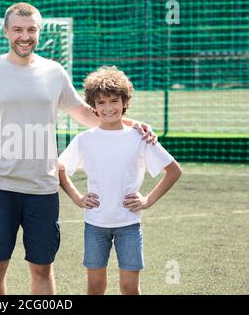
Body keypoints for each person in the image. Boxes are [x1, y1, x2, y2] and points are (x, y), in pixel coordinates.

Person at [0, 3, 156, 295]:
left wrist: (134, 124)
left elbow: (88, 115)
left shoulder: (54, 73)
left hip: (43, 189)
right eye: (18, 30)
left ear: (39, 32)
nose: (25, 36)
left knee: (42, 269)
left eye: (31, 30)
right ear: (6, 31)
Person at [58, 66, 182, 295]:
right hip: (95, 224)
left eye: (114, 101)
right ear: (93, 107)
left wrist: (147, 200)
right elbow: (60, 169)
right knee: (95, 287)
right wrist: (77, 197)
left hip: (129, 224)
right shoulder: (85, 139)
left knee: (129, 288)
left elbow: (174, 170)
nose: (108, 108)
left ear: (125, 102)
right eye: (101, 102)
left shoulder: (139, 137)